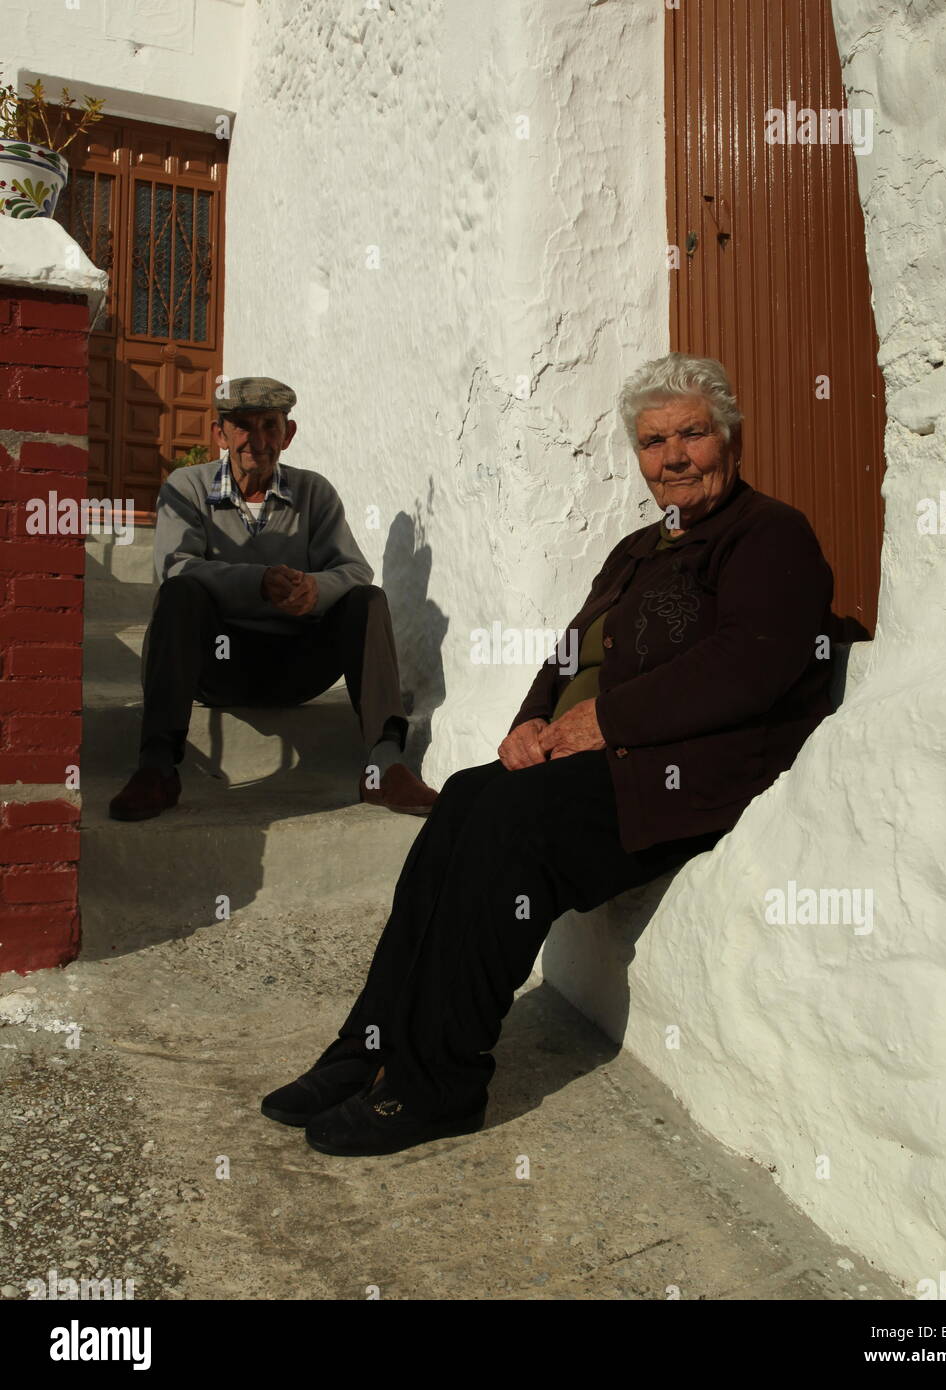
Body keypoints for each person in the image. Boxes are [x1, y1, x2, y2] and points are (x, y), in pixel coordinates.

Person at [262, 352, 845, 1156]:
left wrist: (605, 722)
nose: (672, 457)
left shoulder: (768, 535)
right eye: (652, 442)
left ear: (729, 440)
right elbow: (568, 656)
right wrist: (531, 723)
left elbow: (749, 665)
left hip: (679, 774)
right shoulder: (640, 548)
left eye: (691, 435)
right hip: (594, 762)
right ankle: (365, 1048)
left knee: (507, 825)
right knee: (467, 795)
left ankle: (438, 1082)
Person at [108, 377, 436, 821]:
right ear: (219, 433)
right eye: (242, 426)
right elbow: (175, 566)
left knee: (367, 600)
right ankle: (158, 767)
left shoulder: (314, 492)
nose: (256, 441)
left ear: (288, 434)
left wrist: (315, 590)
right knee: (180, 593)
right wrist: (257, 582)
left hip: (295, 667)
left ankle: (384, 765)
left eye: (269, 426)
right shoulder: (186, 487)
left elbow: (354, 569)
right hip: (215, 667)